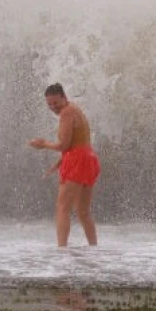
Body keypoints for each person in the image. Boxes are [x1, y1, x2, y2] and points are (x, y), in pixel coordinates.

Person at [28, 82, 99, 247]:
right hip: (88, 158)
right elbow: (77, 142)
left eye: (55, 102)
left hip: (77, 160)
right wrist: (59, 163)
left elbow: (64, 145)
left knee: (62, 208)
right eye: (49, 104)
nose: (53, 107)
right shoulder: (75, 109)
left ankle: (61, 250)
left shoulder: (67, 113)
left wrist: (43, 143)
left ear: (64, 98)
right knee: (83, 211)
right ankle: (94, 248)